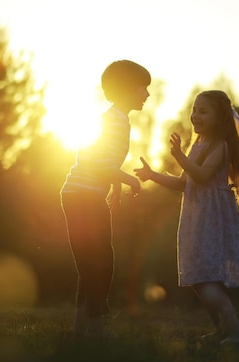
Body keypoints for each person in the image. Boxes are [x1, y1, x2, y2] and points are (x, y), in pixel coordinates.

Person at [134, 90, 239, 344]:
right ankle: (221, 328)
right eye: (194, 110)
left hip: (211, 218)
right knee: (197, 279)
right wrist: (153, 174)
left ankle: (236, 333)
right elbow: (182, 183)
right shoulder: (196, 144)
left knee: (206, 278)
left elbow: (201, 176)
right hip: (196, 218)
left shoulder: (220, 146)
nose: (195, 115)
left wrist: (179, 156)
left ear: (219, 119)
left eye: (203, 111)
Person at [61, 60, 151, 338]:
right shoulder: (115, 121)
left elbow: (98, 159)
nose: (147, 94)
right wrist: (129, 180)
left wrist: (112, 187)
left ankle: (81, 330)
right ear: (127, 90)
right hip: (84, 196)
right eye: (143, 88)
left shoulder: (112, 119)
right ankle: (96, 328)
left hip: (81, 193)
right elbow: (100, 163)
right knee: (100, 262)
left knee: (90, 264)